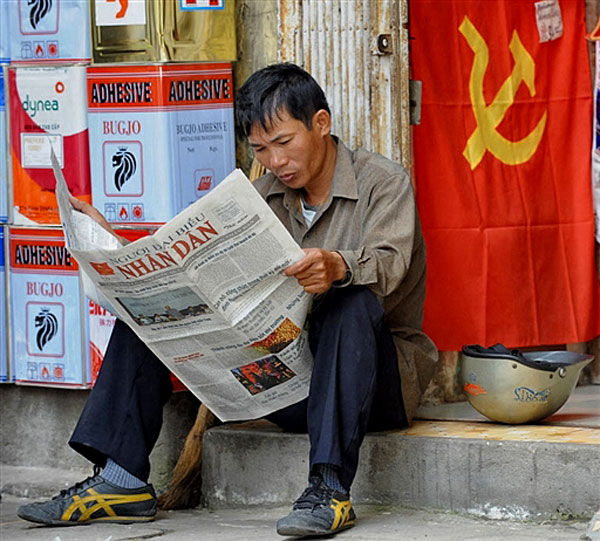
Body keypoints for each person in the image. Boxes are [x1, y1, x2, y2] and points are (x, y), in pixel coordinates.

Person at [17, 63, 437, 537]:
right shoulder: (259, 196)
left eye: (283, 142)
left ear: (321, 123)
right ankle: (122, 480)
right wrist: (115, 249)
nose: (275, 161)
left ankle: (328, 488)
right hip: (287, 384)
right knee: (154, 307)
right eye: (261, 149)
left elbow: (390, 264)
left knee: (350, 303)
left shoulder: (383, 182)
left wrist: (338, 266)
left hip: (375, 385)